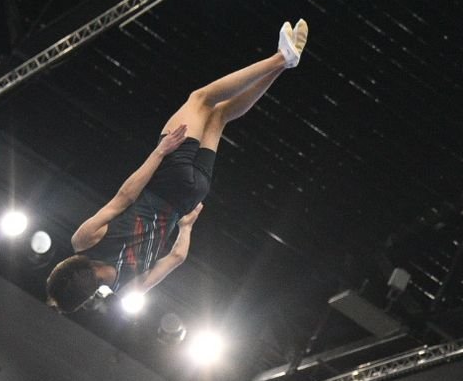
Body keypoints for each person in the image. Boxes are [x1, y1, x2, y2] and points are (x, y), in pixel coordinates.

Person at [45, 20, 309, 313]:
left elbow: (177, 258)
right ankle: (280, 58)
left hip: (191, 196)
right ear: (69, 269)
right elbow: (126, 196)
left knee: (220, 116)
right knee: (201, 99)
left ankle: (284, 64)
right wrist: (160, 152)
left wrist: (186, 226)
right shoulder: (84, 240)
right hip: (167, 177)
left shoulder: (129, 288)